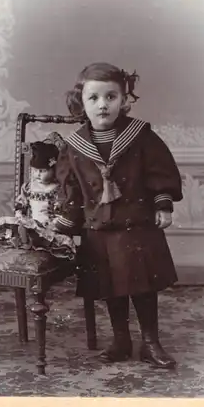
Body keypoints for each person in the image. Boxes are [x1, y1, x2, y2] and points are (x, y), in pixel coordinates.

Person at [55, 62, 183, 369]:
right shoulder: (74, 146)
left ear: (123, 99)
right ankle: (121, 340)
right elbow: (70, 189)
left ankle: (150, 342)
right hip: (99, 229)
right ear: (81, 102)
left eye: (111, 97)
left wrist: (162, 203)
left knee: (142, 285)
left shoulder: (140, 136)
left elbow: (160, 171)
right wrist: (66, 225)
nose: (103, 105)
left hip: (136, 225)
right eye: (94, 98)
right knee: (111, 285)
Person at [0, 139, 76, 261]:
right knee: (7, 222)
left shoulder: (60, 189)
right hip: (31, 224)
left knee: (45, 235)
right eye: (35, 171)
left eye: (43, 171)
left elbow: (66, 214)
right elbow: (21, 204)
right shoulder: (29, 187)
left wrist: (53, 226)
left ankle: (28, 240)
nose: (37, 175)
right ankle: (18, 238)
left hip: (49, 228)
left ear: (54, 169)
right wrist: (20, 215)